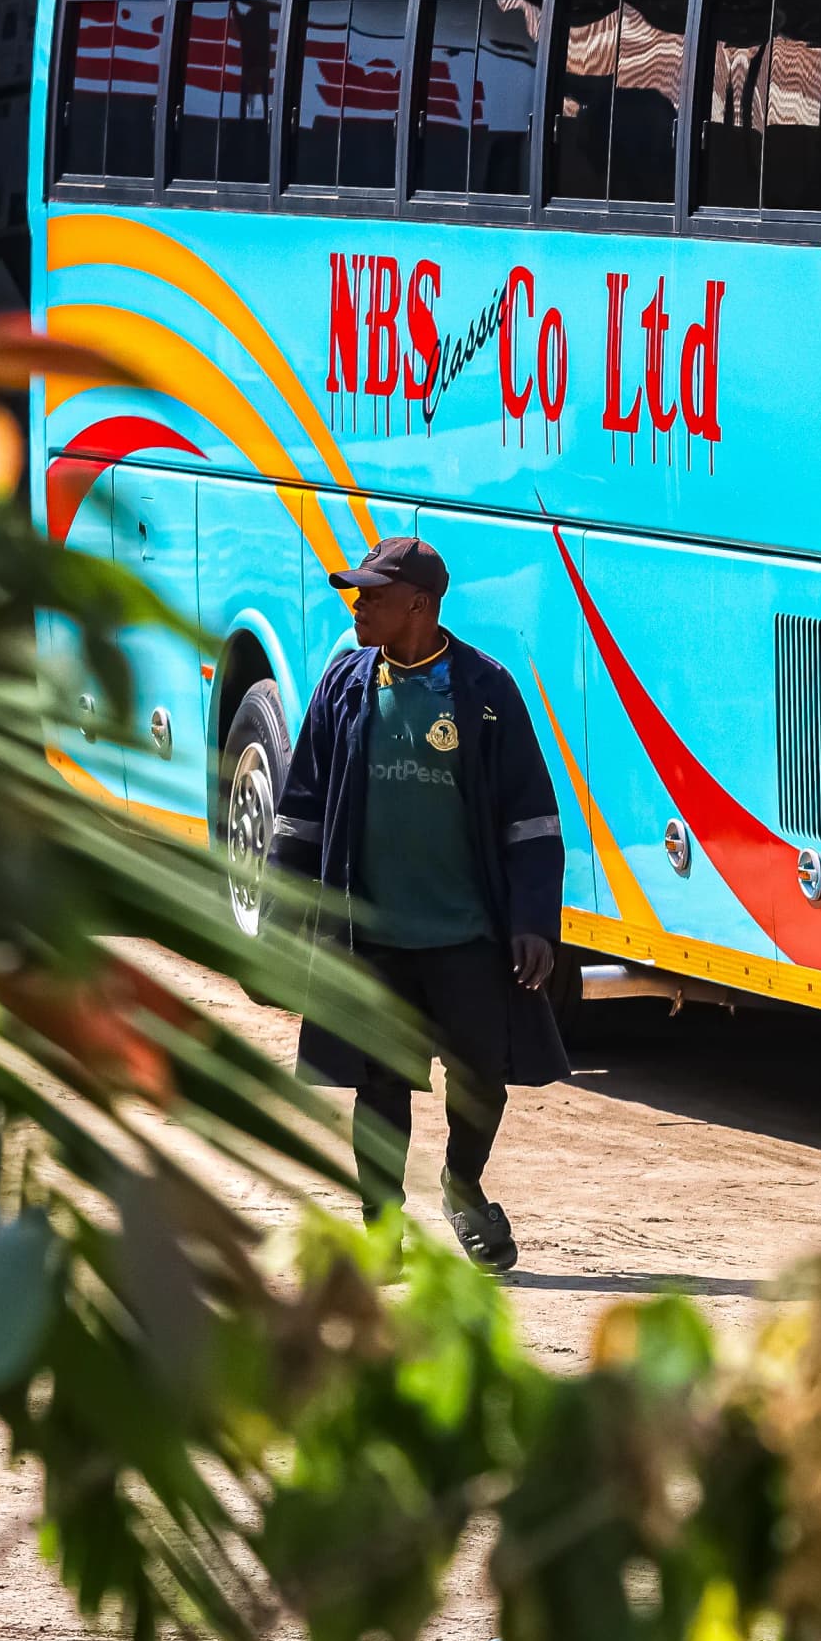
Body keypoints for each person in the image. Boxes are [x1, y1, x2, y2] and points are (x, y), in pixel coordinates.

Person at [274, 534, 569, 1270]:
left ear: (420, 604)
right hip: (372, 936)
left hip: (466, 936)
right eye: (358, 593)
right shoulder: (343, 686)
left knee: (481, 1083)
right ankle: (381, 1232)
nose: (359, 605)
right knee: (378, 1089)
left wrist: (532, 921)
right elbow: (301, 809)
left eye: (374, 595)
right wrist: (283, 911)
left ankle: (463, 1183)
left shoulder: (485, 692)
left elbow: (531, 819)